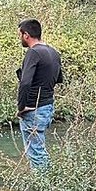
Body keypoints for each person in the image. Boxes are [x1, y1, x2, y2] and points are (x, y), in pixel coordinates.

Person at [15, 19, 63, 170]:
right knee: (39, 150)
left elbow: (25, 83)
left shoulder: (33, 52)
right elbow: (59, 78)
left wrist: (21, 107)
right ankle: (47, 185)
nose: (20, 38)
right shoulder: (53, 52)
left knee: (36, 154)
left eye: (20, 35)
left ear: (26, 35)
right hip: (47, 106)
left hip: (33, 109)